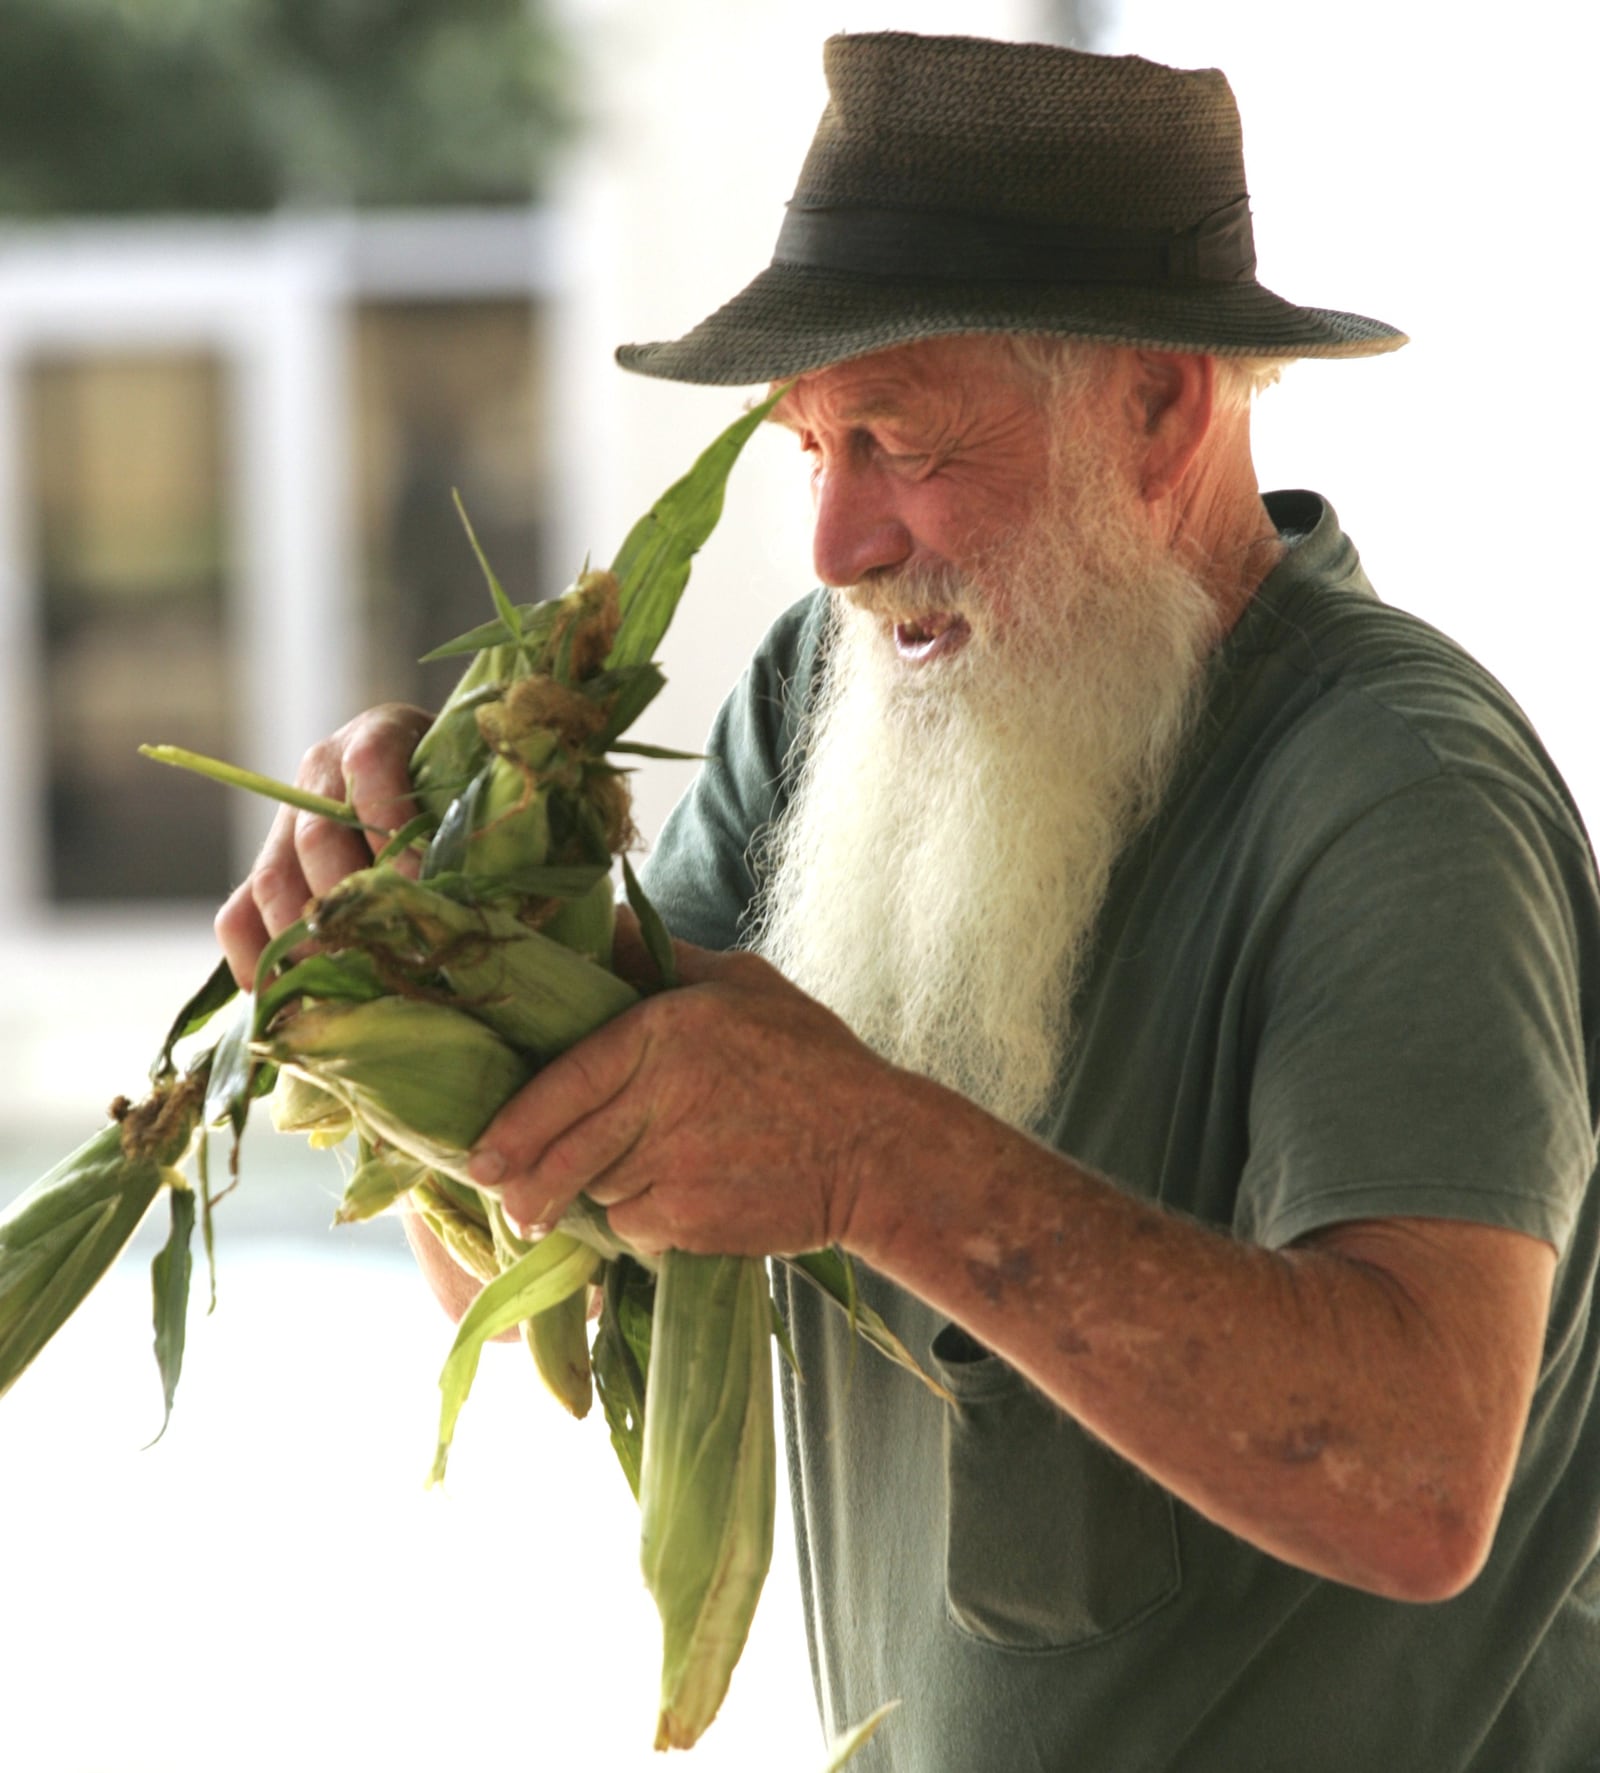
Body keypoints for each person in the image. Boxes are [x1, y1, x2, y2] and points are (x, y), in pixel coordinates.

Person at [216, 33, 1600, 1772]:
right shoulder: (827, 694)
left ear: (1160, 403)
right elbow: (553, 1257)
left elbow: (1419, 1478)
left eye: (898, 438)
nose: (835, 545)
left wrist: (879, 1157)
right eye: (812, 447)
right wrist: (427, 959)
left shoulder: (1399, 790)